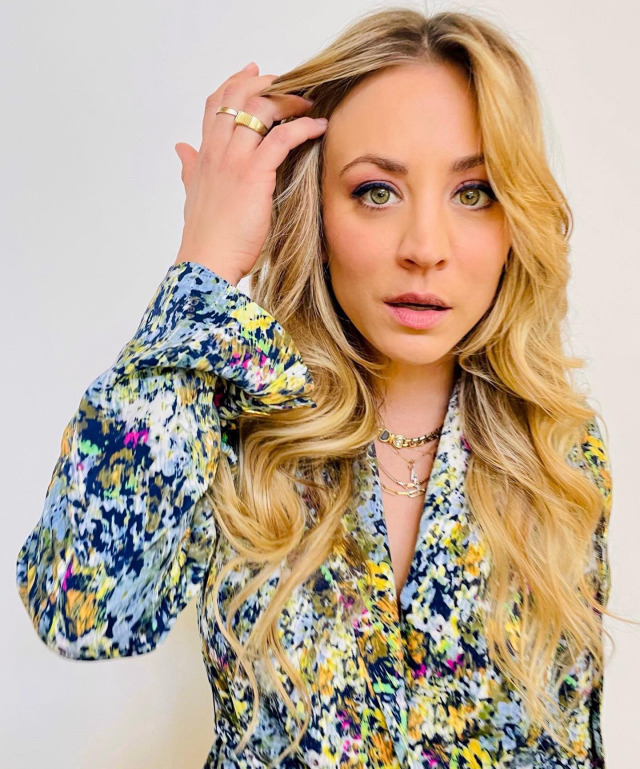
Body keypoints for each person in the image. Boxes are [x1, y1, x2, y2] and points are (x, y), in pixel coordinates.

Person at [16, 7, 621, 768]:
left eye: (474, 192)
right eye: (376, 191)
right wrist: (204, 268)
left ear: (514, 220)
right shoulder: (226, 423)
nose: (425, 248)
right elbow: (81, 614)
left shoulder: (557, 449)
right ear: (315, 207)